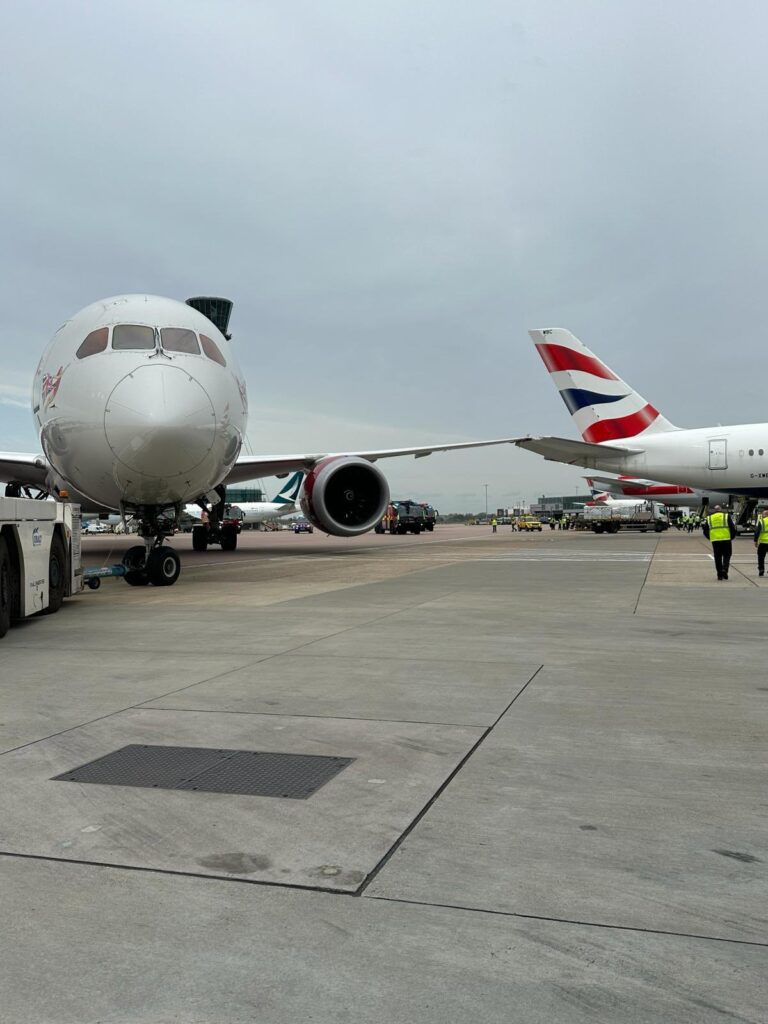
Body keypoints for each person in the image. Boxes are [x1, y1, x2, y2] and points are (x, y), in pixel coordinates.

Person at [702, 504, 736, 581]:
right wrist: (732, 537)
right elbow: (732, 527)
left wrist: (710, 537)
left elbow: (705, 531)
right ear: (721, 510)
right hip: (726, 539)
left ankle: (719, 575)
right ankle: (725, 569)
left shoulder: (709, 518)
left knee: (717, 557)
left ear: (715, 510)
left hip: (715, 541)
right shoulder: (726, 516)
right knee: (727, 555)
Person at [754, 509, 768, 577]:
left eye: (763, 514)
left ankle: (761, 569)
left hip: (763, 543)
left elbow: (757, 532)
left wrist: (755, 541)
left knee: (761, 557)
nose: (762, 515)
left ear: (765, 515)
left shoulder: (761, 521)